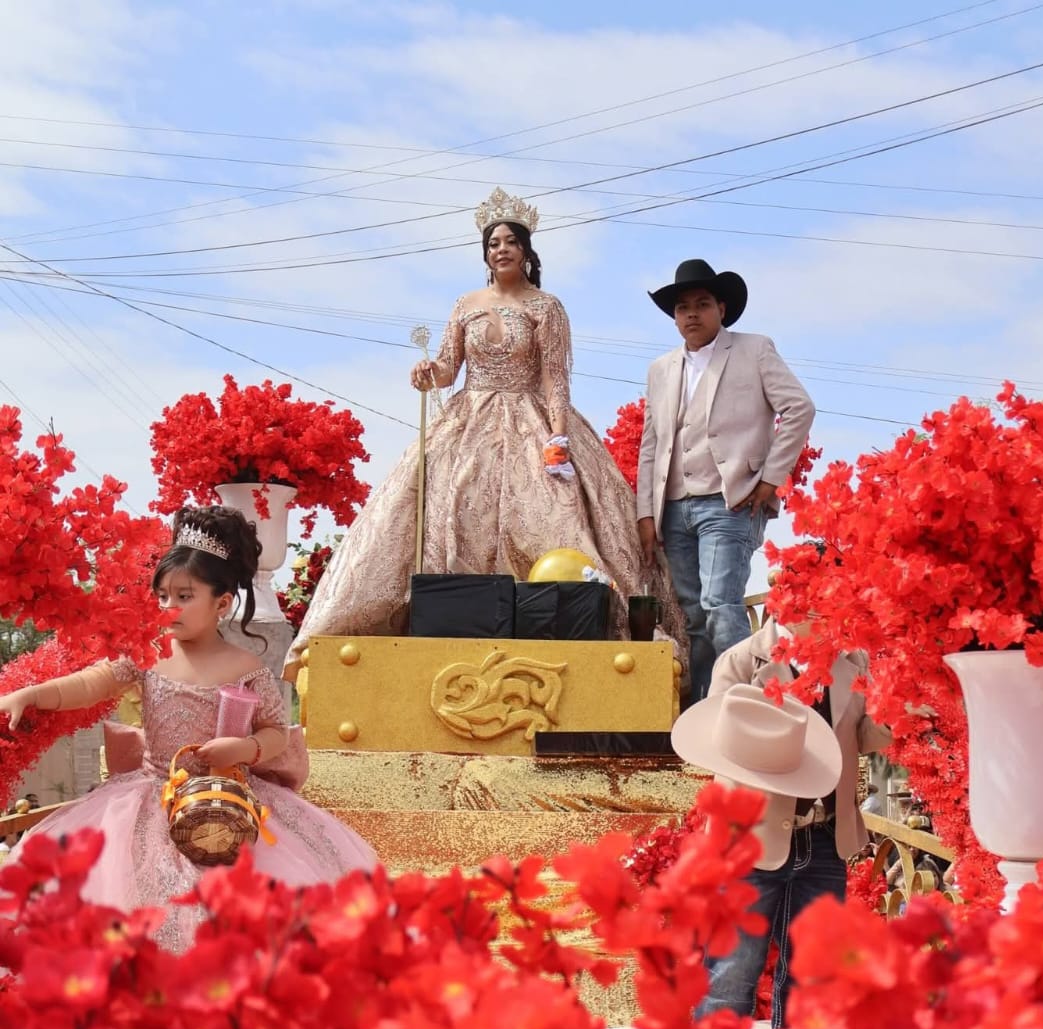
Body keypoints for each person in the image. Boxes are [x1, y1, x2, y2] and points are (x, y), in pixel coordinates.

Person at [284, 187, 683, 673]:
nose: (501, 249)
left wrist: (557, 437)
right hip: (468, 419)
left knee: (553, 517)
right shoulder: (465, 303)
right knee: (437, 507)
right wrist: (427, 372)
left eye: (510, 241)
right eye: (493, 243)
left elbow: (554, 378)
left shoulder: (547, 307)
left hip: (531, 417)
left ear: (526, 250)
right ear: (485, 253)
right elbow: (448, 367)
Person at [0, 506, 378, 950]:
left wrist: (244, 748)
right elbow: (90, 683)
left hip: (230, 800)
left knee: (238, 905)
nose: (169, 607)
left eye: (184, 596)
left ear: (221, 603)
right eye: (162, 596)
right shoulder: (148, 654)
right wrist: (32, 694)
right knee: (139, 898)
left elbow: (277, 730)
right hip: (151, 796)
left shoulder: (246, 667)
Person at [672, 617, 891, 1029]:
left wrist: (899, 710)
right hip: (750, 839)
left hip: (825, 836)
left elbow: (863, 736)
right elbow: (723, 747)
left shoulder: (854, 661)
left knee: (814, 971)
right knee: (732, 969)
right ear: (781, 596)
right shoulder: (741, 660)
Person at [636, 260, 815, 701]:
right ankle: (706, 707)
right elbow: (651, 443)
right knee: (693, 616)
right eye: (682, 308)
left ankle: (749, 705)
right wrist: (645, 513)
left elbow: (799, 408)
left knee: (720, 605)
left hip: (729, 500)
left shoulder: (754, 349)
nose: (691, 314)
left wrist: (770, 478)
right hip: (674, 506)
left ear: (721, 308)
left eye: (702, 304)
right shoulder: (661, 368)